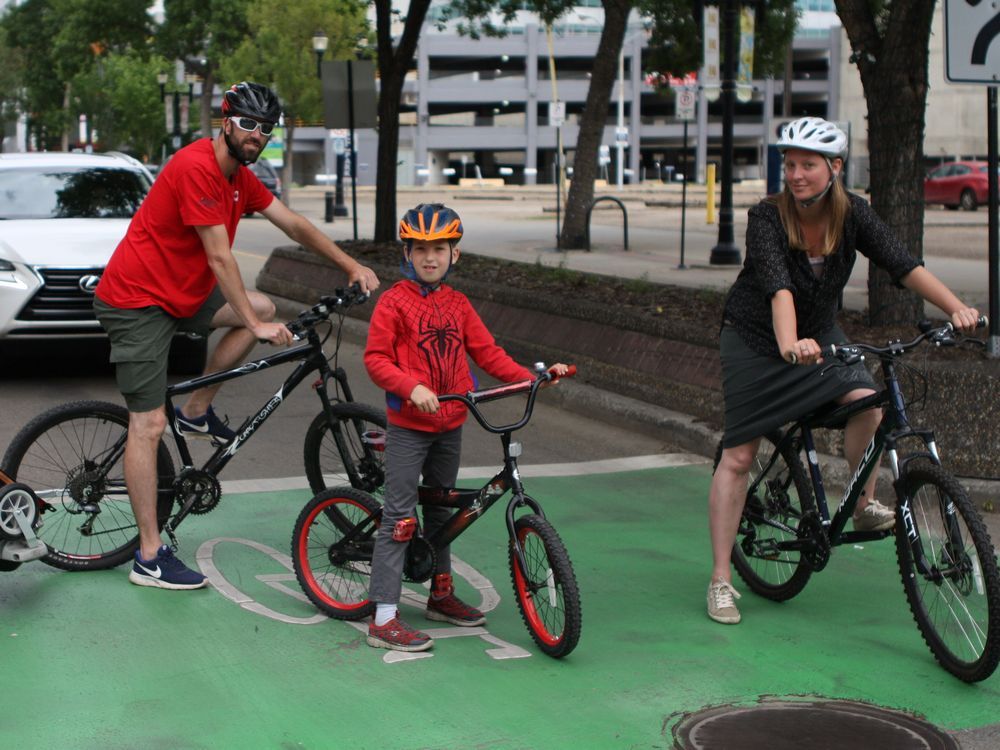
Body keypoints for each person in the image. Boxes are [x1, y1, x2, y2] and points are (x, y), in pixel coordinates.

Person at [94, 81, 379, 590]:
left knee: (266, 303)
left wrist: (350, 263)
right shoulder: (197, 167)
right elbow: (220, 255)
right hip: (137, 301)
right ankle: (150, 556)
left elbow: (292, 223)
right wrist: (252, 323)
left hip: (180, 295)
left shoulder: (240, 179)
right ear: (225, 122)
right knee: (149, 424)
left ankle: (197, 409)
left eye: (266, 129)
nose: (256, 135)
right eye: (247, 124)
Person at [707, 117, 981, 625]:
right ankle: (722, 579)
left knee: (866, 405)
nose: (795, 175)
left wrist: (957, 308)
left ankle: (863, 502)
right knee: (740, 455)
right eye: (789, 164)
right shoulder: (767, 217)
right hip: (755, 339)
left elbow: (903, 265)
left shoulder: (853, 213)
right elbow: (777, 288)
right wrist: (789, 345)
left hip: (816, 334)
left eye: (807, 165)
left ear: (835, 168)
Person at [363, 203, 569, 652]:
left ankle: (440, 594)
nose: (430, 258)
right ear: (407, 254)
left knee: (442, 511)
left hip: (452, 419)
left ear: (454, 254)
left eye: (439, 249)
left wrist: (530, 378)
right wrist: (411, 386)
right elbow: (376, 359)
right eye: (420, 250)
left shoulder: (458, 304)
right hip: (409, 425)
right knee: (399, 516)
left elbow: (487, 352)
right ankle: (383, 616)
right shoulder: (393, 302)